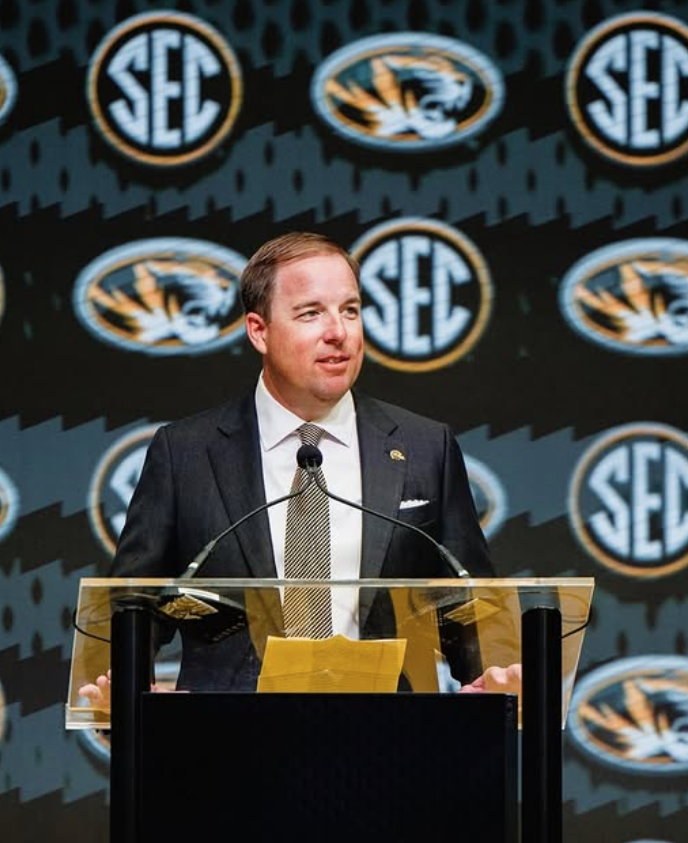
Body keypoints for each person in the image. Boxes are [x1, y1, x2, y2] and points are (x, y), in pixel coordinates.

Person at [79, 231, 521, 702]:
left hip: (389, 746)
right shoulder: (185, 453)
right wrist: (124, 696)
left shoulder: (424, 447)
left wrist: (496, 676)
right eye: (311, 313)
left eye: (349, 310)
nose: (339, 332)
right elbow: (127, 608)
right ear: (259, 330)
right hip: (231, 747)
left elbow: (472, 605)